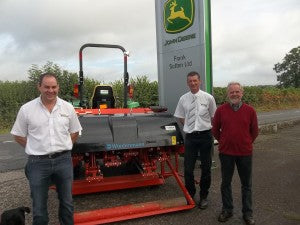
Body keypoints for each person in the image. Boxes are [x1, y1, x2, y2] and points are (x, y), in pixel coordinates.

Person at [11, 73, 82, 225]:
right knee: (39, 206)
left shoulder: (68, 108)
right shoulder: (27, 109)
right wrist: (34, 147)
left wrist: (65, 145)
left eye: (54, 87)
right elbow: (18, 135)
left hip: (64, 161)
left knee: (67, 202)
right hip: (38, 163)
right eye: (47, 87)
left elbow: (75, 131)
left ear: (58, 87)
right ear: (39, 87)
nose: (51, 90)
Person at [212, 82, 258, 225]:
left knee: (247, 185)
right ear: (228, 94)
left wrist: (245, 142)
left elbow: (254, 131)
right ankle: (227, 210)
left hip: (245, 153)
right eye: (232, 92)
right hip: (226, 153)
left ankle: (248, 214)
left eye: (237, 91)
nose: (234, 94)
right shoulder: (220, 110)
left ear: (242, 93)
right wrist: (225, 141)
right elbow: (215, 130)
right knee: (226, 183)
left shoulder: (250, 111)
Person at [174, 71, 217, 209]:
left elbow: (213, 117)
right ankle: (190, 194)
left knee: (206, 169)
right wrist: (189, 125)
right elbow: (180, 116)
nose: (193, 83)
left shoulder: (208, 98)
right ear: (187, 83)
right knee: (188, 169)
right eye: (190, 81)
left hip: (205, 136)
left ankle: (204, 196)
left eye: (195, 81)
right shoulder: (183, 99)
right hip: (191, 137)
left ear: (200, 81)